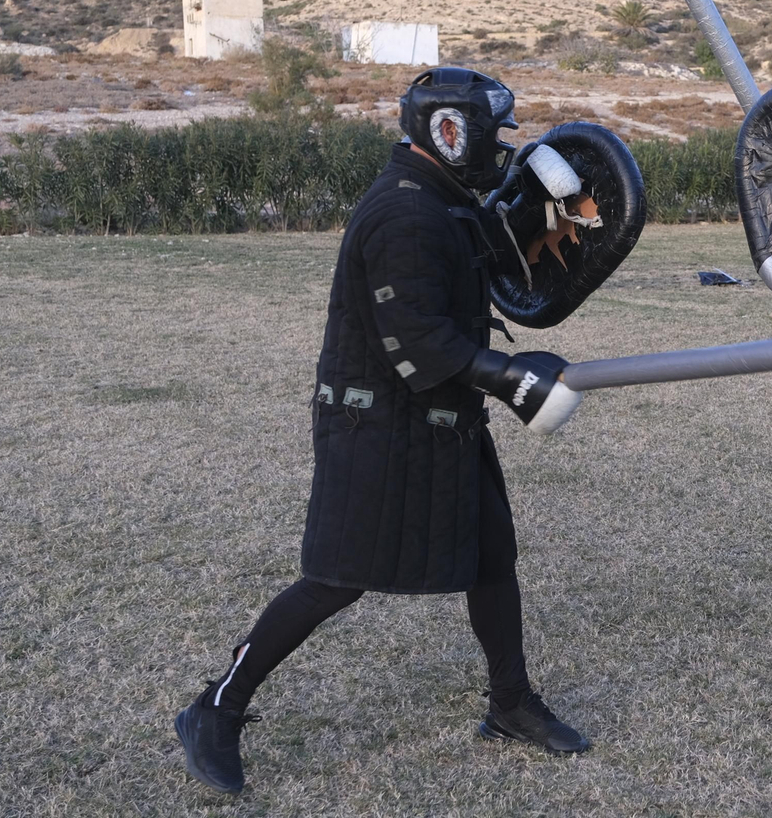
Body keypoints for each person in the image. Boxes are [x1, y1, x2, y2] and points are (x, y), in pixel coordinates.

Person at [175, 68, 594, 797]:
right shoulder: (404, 214)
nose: (501, 147)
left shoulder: (439, 200)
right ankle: (215, 706)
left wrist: (548, 212)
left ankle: (510, 704)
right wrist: (511, 379)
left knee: (492, 555)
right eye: (492, 134)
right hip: (377, 420)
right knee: (335, 578)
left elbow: (497, 269)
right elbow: (422, 341)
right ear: (451, 132)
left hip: (441, 415)